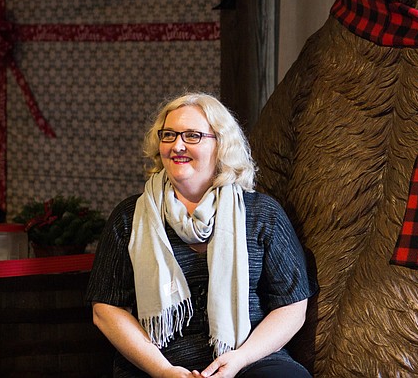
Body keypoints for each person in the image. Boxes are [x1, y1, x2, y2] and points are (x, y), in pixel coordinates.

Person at [86, 92, 316, 377]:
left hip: (250, 358)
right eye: (168, 135)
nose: (177, 145)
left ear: (221, 144)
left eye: (192, 135)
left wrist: (239, 359)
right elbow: (106, 310)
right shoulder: (129, 216)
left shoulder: (262, 214)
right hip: (158, 362)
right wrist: (163, 370)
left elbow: (293, 305)